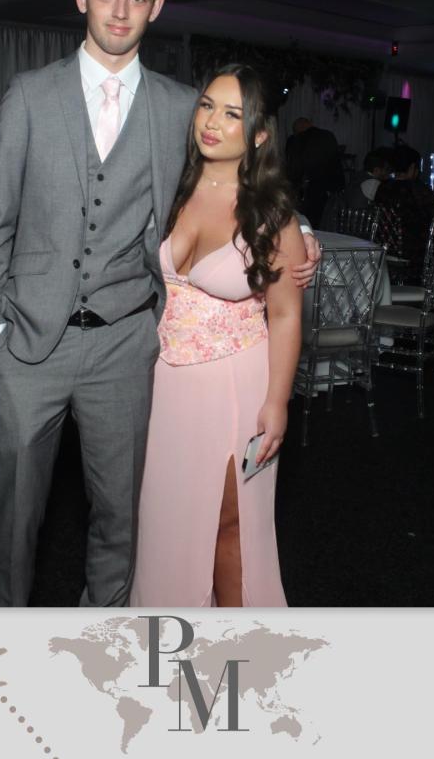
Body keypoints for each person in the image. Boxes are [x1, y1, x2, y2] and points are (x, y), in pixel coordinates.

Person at [0, 0, 321, 608]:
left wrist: (299, 231)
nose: (120, 13)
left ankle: (105, 641)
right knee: (12, 518)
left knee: (121, 523)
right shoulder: (29, 96)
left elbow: (236, 174)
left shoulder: (181, 106)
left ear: (156, 8)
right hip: (27, 345)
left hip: (129, 347)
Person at [130, 64, 306, 607]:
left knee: (231, 524)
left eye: (232, 114)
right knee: (165, 522)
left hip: (235, 386)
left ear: (259, 135)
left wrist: (277, 402)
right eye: (207, 106)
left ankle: (238, 644)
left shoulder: (273, 215)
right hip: (164, 385)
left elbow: (286, 315)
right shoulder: (170, 185)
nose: (212, 122)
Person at [374, 143, 434, 278]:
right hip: (415, 259)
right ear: (413, 167)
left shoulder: (382, 189)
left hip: (384, 253)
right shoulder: (418, 190)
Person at [285, 116, 345, 227]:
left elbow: (293, 166)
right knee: (326, 221)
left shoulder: (295, 140)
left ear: (298, 129)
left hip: (307, 189)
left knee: (306, 222)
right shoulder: (328, 135)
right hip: (328, 188)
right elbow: (336, 162)